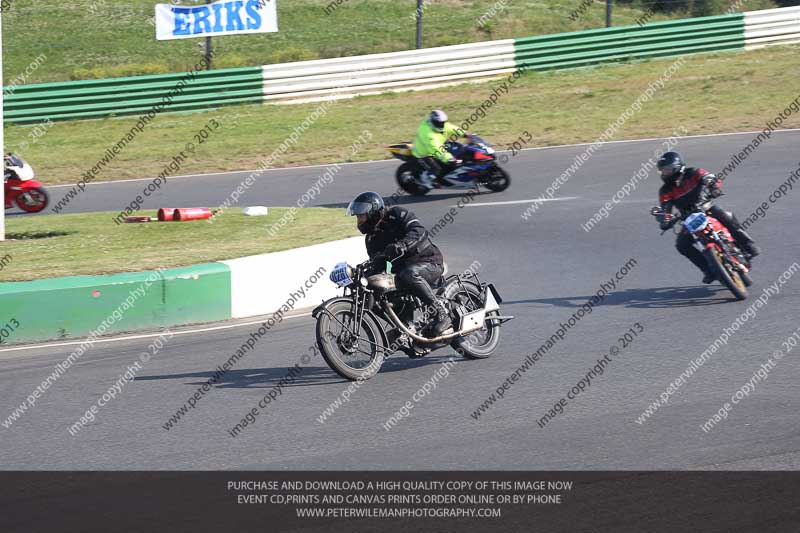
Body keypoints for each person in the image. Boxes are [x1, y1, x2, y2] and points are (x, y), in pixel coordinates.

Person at [346, 191, 453, 335]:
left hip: (428, 261)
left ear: (373, 212)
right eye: (358, 217)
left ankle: (442, 315)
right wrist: (363, 278)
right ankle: (406, 327)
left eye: (361, 216)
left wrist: (403, 245)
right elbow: (379, 265)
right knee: (376, 289)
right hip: (402, 274)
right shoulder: (371, 240)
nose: (359, 221)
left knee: (409, 274)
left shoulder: (397, 214)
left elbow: (419, 231)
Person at [654, 151, 761, 284]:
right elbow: (665, 207)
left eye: (667, 170)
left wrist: (714, 187)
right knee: (681, 245)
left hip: (706, 207)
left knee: (727, 217)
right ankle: (708, 270)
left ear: (677, 167)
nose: (665, 173)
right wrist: (665, 219)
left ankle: (748, 245)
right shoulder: (665, 190)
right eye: (662, 171)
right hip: (688, 218)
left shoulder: (693, 172)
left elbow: (709, 177)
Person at [411, 110, 471, 189]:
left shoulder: (441, 124)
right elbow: (435, 149)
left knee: (459, 148)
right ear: (433, 122)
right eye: (439, 123)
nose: (441, 125)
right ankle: (425, 180)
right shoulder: (427, 133)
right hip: (425, 154)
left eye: (442, 122)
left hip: (439, 145)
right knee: (436, 169)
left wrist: (465, 134)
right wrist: (449, 159)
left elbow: (451, 127)